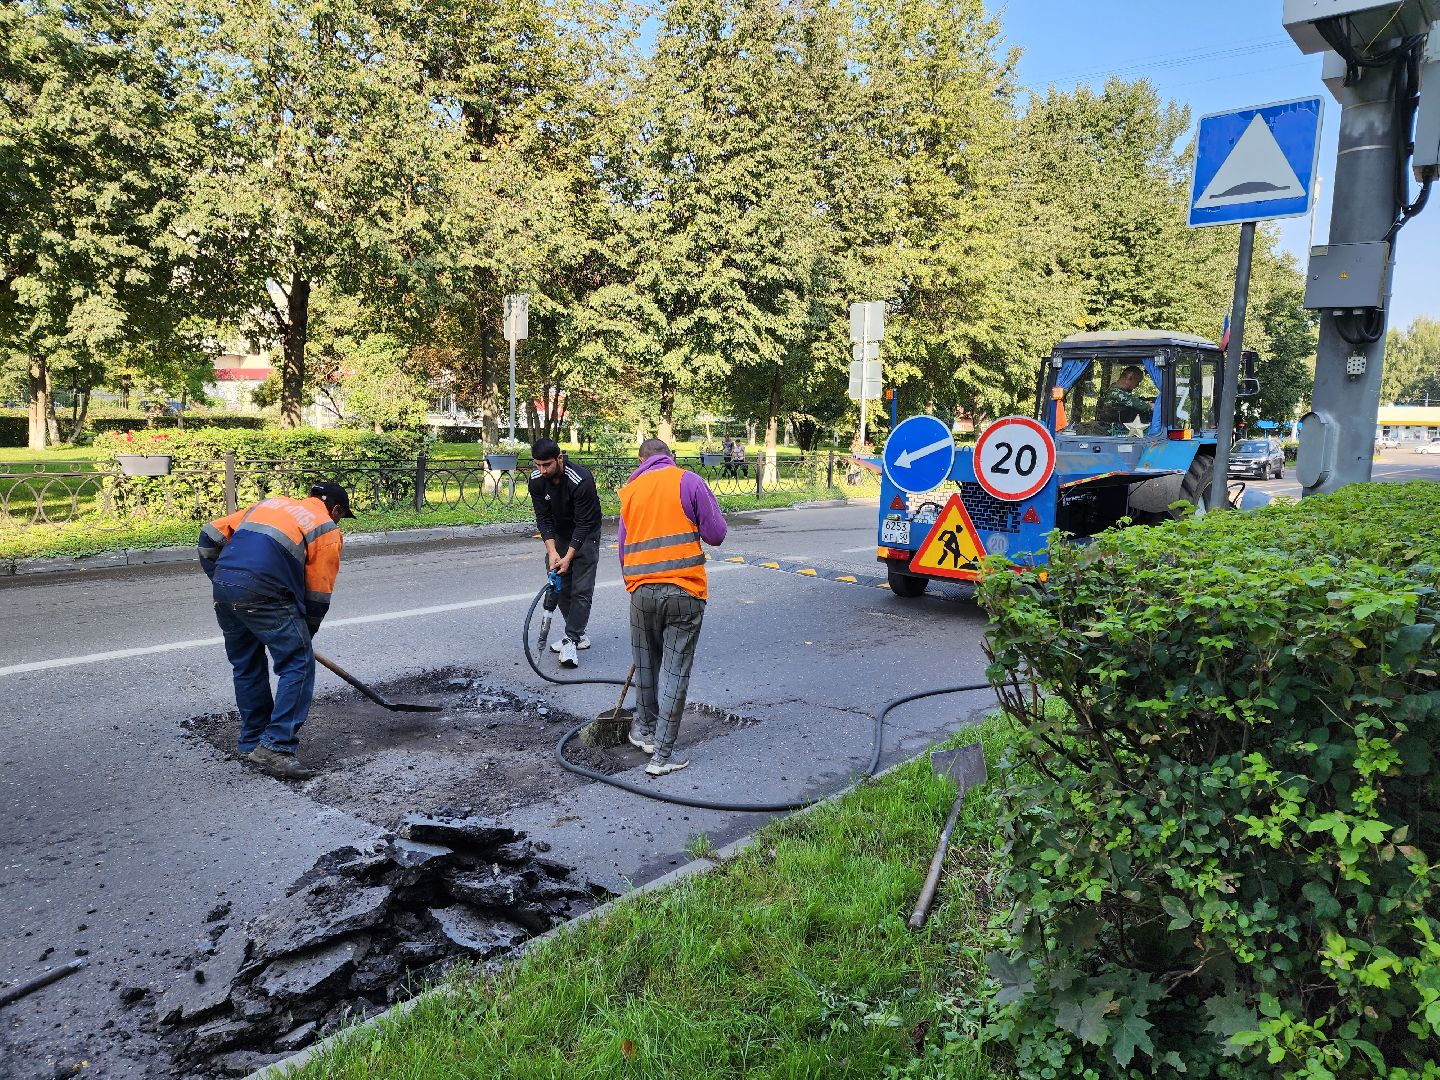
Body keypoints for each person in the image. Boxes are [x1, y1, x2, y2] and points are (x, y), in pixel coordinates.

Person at [198, 482, 354, 780]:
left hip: (226, 588)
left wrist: (225, 581)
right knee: (299, 663)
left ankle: (252, 741)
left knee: (246, 665)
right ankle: (276, 746)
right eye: (341, 516)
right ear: (335, 509)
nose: (339, 522)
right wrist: (304, 635)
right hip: (266, 592)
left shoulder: (271, 504)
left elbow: (209, 536)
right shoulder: (326, 529)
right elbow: (318, 594)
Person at [618, 438, 727, 776]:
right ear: (670, 457)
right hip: (684, 591)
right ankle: (661, 757)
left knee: (646, 666)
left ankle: (647, 734)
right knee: (675, 673)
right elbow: (717, 534)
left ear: (642, 460)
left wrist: (639, 584)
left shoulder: (630, 491)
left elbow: (623, 550)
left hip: (641, 592)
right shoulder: (689, 481)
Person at [527, 437, 603, 668]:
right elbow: (543, 518)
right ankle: (578, 633)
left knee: (581, 589)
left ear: (559, 458)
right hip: (559, 534)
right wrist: (552, 551)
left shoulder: (581, 480)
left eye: (547, 465)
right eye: (537, 465)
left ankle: (572, 639)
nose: (542, 470)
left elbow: (582, 524)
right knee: (559, 586)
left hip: (586, 532)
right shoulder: (537, 480)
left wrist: (570, 556)